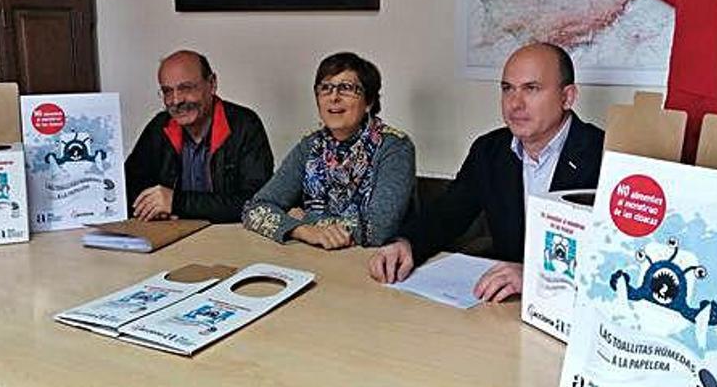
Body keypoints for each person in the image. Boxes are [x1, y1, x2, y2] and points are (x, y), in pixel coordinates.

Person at [369, 42, 604, 302]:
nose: (515, 103)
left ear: (567, 97)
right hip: (504, 307)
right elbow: (447, 215)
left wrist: (536, 276)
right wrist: (406, 243)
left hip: (573, 311)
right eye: (507, 89)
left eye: (531, 89)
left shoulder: (605, 155)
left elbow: (615, 259)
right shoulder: (489, 150)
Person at [243, 52, 415, 249]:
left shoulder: (394, 146)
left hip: (375, 262)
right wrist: (302, 231)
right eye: (326, 88)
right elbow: (254, 209)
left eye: (347, 88)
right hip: (315, 256)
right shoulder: (310, 146)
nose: (334, 97)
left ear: (369, 102)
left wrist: (303, 218)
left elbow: (378, 230)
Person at [125, 49, 273, 222]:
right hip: (172, 237)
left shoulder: (245, 125)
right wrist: (151, 206)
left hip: (231, 239)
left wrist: (177, 202)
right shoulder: (159, 127)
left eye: (185, 88)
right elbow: (128, 188)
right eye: (167, 91)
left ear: (212, 84)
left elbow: (258, 203)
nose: (176, 100)